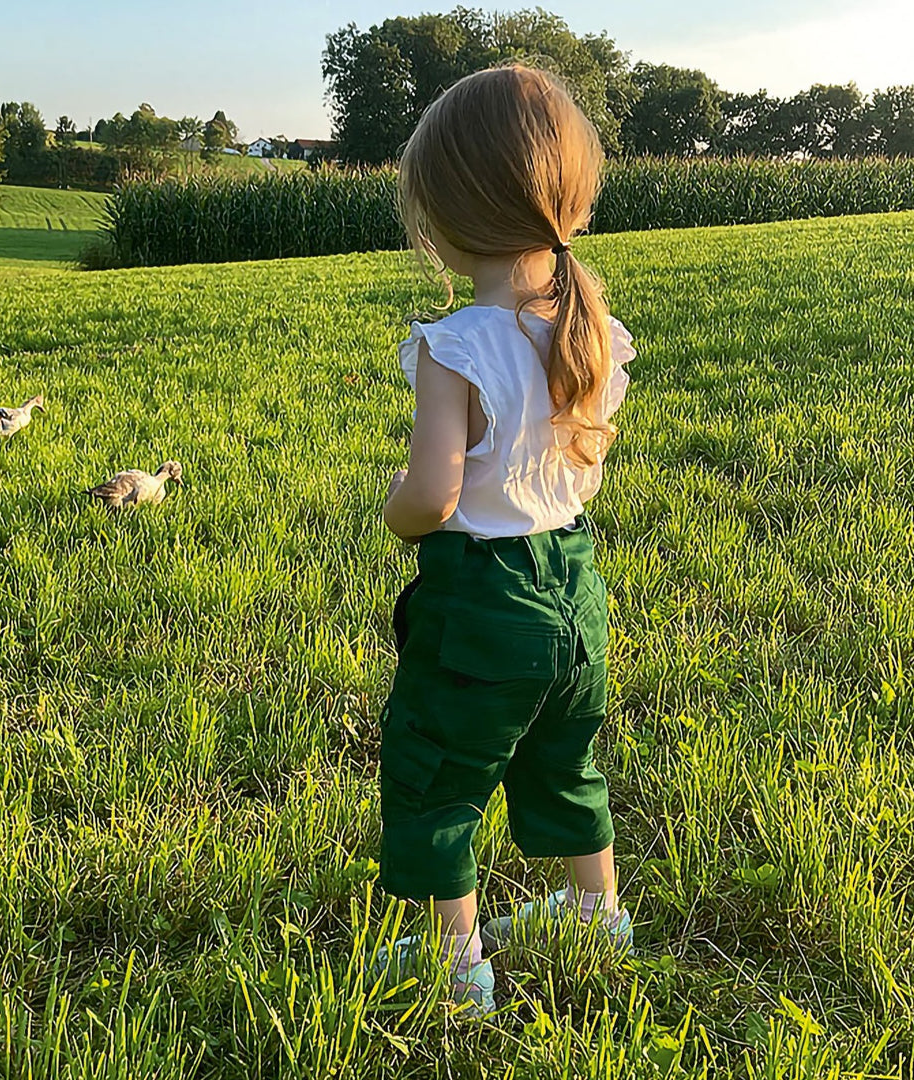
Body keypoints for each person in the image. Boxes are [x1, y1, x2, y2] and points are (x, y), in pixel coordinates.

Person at [376, 63, 637, 1016]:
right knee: (565, 754)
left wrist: (394, 505)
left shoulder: (457, 345)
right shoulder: (591, 328)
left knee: (438, 770)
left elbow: (436, 498)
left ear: (444, 219)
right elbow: (582, 470)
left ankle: (456, 968)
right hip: (576, 588)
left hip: (483, 596)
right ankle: (596, 913)